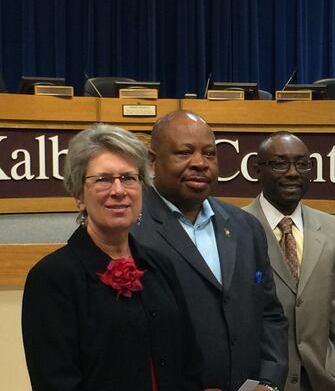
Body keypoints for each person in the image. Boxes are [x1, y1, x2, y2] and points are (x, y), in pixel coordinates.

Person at [22, 124, 203, 390]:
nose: (118, 191)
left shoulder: (160, 265)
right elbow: (55, 381)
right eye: (103, 179)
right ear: (78, 196)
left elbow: (190, 362)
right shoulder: (52, 277)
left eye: (129, 178)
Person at [131, 110, 289, 391]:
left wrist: (268, 382)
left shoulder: (246, 228)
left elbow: (269, 315)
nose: (200, 164)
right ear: (153, 161)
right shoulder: (132, 231)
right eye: (184, 153)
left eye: (210, 154)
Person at [242, 131, 335, 391]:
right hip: (261, 383)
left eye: (303, 163)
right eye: (280, 163)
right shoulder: (235, 228)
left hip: (323, 383)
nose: (293, 172)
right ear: (257, 170)